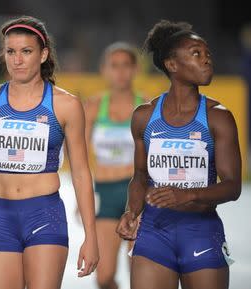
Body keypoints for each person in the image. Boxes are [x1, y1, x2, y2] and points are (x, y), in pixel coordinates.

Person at [0, 16, 99, 289]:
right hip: (1, 216)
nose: (17, 60)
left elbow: (80, 172)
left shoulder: (65, 105)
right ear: (3, 54)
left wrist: (91, 236)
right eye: (11, 51)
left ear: (43, 54)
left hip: (45, 215)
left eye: (26, 51)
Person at [116, 20, 240, 289]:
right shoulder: (144, 117)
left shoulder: (219, 118)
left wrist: (188, 195)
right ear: (172, 64)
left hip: (201, 233)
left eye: (207, 54)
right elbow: (139, 175)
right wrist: (132, 211)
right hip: (153, 233)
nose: (207, 59)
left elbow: (233, 186)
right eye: (196, 53)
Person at [84, 42, 143, 289]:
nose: (120, 72)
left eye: (125, 65)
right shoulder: (94, 106)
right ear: (104, 70)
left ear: (135, 70)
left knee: (140, 276)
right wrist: (83, 199)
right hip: (106, 193)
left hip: (137, 196)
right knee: (104, 277)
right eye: (114, 66)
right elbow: (80, 157)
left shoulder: (146, 107)